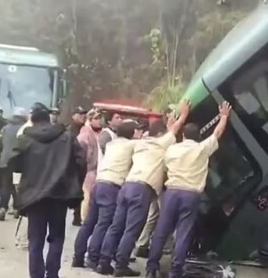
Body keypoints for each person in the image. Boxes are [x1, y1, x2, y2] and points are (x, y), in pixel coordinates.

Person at [98, 102, 190, 276]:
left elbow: (169, 130)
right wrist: (183, 115)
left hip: (127, 186)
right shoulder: (160, 145)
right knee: (132, 229)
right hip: (141, 190)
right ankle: (121, 265)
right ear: (161, 135)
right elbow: (174, 130)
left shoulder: (139, 144)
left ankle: (104, 262)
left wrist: (169, 122)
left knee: (116, 226)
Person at [146, 102, 232, 278]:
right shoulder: (201, 149)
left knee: (162, 231)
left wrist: (174, 123)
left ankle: (151, 268)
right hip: (191, 195)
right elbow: (217, 133)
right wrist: (223, 116)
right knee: (183, 233)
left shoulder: (171, 149)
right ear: (198, 137)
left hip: (171, 193)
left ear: (183, 136)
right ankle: (175, 271)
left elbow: (169, 137)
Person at [9, 103, 86, 278]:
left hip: (34, 197)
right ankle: (52, 274)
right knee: (56, 237)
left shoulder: (25, 139)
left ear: (32, 120)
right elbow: (81, 162)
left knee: (35, 240)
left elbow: (13, 163)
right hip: (60, 194)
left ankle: (36, 275)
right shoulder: (67, 137)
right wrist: (74, 183)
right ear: (49, 118)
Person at [73, 120, 139, 271]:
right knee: (104, 223)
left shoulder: (111, 144)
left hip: (100, 183)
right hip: (112, 187)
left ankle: (78, 256)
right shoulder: (132, 146)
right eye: (137, 130)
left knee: (89, 222)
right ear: (132, 133)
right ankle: (93, 257)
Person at [0, 107, 27, 221]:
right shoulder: (25, 129)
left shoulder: (5, 128)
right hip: (20, 161)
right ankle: (17, 208)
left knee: (6, 185)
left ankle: (2, 207)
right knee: (18, 185)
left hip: (5, 161)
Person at [77, 109, 102, 223]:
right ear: (90, 120)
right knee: (87, 195)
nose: (99, 121)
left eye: (100, 118)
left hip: (97, 168)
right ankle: (84, 218)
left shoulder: (99, 132)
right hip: (88, 169)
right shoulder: (85, 133)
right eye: (96, 118)